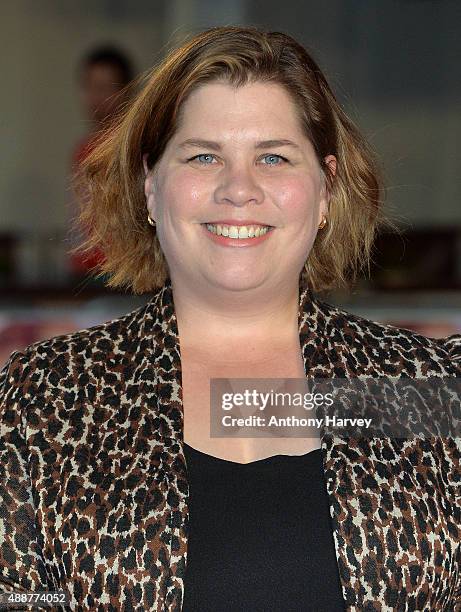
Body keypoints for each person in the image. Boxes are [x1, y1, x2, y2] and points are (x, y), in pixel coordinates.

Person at [1, 25, 460, 611]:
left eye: (273, 156)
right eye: (202, 156)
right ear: (150, 186)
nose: (238, 188)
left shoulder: (421, 390)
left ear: (326, 188)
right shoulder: (46, 396)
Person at [69, 45, 135, 282]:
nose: (97, 98)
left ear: (126, 91)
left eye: (105, 88)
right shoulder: (83, 150)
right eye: (90, 87)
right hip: (83, 271)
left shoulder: (133, 147)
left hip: (121, 274)